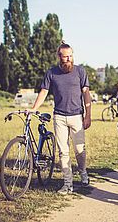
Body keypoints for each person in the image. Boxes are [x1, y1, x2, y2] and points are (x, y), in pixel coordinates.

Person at [31, 41, 91, 194]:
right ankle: (68, 184)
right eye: (65, 57)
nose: (69, 59)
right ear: (59, 57)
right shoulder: (51, 73)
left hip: (77, 116)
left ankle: (83, 171)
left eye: (71, 56)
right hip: (59, 116)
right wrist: (33, 109)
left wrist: (88, 115)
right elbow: (43, 92)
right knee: (63, 151)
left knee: (79, 150)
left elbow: (86, 93)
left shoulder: (80, 71)